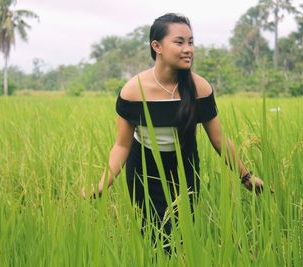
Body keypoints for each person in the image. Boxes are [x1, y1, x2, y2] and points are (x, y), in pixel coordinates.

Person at [81, 13, 264, 232]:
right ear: (157, 46)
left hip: (184, 167)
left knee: (182, 235)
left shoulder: (200, 89)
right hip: (144, 169)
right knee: (152, 236)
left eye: (191, 42)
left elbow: (219, 140)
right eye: (179, 42)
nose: (189, 49)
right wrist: (104, 184)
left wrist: (246, 176)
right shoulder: (133, 91)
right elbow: (122, 145)